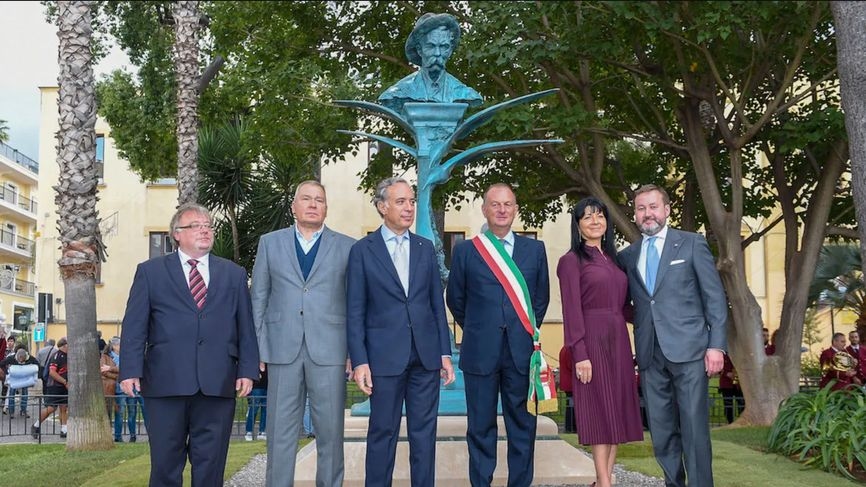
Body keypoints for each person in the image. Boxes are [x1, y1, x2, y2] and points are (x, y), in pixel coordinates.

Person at [119, 203, 259, 487]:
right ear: (176, 234)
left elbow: (246, 326)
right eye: (195, 225)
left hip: (218, 383)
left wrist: (247, 369)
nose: (205, 229)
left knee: (211, 465)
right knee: (165, 465)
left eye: (208, 225)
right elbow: (135, 325)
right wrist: (130, 370)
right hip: (165, 383)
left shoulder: (233, 274)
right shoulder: (150, 272)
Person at [347, 177, 455, 487]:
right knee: (382, 433)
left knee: (424, 435)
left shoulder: (425, 248)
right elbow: (355, 310)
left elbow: (436, 304)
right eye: (400, 202)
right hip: (383, 359)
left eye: (411, 201)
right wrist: (360, 360)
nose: (408, 208)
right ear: (382, 207)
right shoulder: (362, 250)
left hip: (425, 357)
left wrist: (444, 353)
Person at [618, 184, 728, 487]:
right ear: (635, 214)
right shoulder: (628, 256)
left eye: (653, 207)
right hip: (650, 355)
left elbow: (715, 298)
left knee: (693, 430)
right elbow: (633, 305)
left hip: (691, 352)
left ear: (666, 210)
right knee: (662, 432)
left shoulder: (691, 244)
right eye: (641, 209)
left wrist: (716, 345)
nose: (647, 214)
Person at [250, 180, 356, 486]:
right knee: (280, 434)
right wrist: (259, 347)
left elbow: (354, 302)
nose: (312, 204)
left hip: (331, 350)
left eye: (319, 200)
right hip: (283, 349)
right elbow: (259, 296)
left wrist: (353, 352)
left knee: (331, 434)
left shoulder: (347, 246)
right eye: (306, 199)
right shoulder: (270, 243)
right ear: (294, 206)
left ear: (326, 207)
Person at [446, 183, 550, 487]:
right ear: (485, 209)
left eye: (508, 204)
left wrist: (523, 329)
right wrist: (480, 327)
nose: (502, 210)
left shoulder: (535, 249)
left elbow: (540, 298)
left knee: (522, 424)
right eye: (495, 204)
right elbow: (456, 299)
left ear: (516, 210)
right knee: (480, 426)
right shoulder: (466, 250)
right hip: (480, 352)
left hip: (521, 353)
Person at [556, 198, 643, 487]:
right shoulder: (571, 261)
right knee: (599, 410)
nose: (595, 221)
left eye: (600, 216)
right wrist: (579, 353)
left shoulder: (614, 259)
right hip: (591, 340)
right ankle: (605, 481)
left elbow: (626, 305)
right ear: (578, 224)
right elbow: (571, 310)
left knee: (615, 409)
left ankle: (604, 479)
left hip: (618, 338)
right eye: (587, 217)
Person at [378, 12, 482, 113]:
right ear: (419, 50)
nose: (437, 53)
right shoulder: (398, 92)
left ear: (450, 51)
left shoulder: (464, 93)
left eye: (443, 47)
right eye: (431, 46)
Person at [32, 337, 69, 439]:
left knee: (64, 407)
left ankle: (64, 430)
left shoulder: (68, 356)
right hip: (54, 386)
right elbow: (52, 372)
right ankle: (36, 425)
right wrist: (64, 381)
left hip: (64, 386)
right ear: (65, 345)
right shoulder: (56, 356)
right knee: (51, 408)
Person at [108, 337, 138, 442]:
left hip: (131, 387)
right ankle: (118, 436)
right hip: (119, 388)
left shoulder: (127, 356)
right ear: (115, 346)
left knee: (132, 412)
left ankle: (133, 435)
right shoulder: (109, 357)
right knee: (119, 413)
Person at [1, 348, 39, 418]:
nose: (21, 362)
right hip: (14, 379)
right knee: (11, 395)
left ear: (25, 357)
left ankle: (23, 411)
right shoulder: (11, 358)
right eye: (19, 361)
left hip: (24, 379)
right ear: (17, 357)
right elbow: (2, 364)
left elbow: (37, 365)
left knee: (25, 395)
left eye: (23, 361)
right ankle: (11, 412)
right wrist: (6, 372)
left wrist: (32, 375)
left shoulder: (30, 358)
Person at [244, 365, 267, 442]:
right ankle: (249, 432)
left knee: (265, 410)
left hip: (267, 385)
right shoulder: (255, 356)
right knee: (254, 409)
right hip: (256, 386)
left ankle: (262, 432)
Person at [718, 354, 743, 424]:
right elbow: (718, 368)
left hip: (738, 384)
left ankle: (741, 420)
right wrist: (726, 373)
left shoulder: (738, 353)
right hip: (726, 385)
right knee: (728, 404)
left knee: (741, 403)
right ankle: (730, 421)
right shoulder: (723, 355)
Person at [100, 340, 119, 418]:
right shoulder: (105, 357)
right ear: (114, 346)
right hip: (109, 386)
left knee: (119, 410)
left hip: (121, 387)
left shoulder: (125, 356)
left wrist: (110, 368)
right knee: (108, 409)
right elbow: (103, 371)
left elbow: (126, 369)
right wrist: (117, 376)